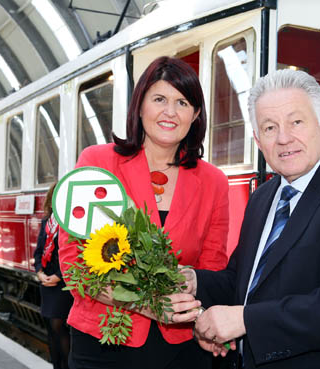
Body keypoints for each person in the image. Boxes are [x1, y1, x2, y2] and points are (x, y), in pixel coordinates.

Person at [185, 69, 320, 368]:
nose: (284, 138)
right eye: (270, 128)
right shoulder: (262, 198)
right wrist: (194, 281)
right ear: (259, 141)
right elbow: (242, 283)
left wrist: (244, 320)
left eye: (296, 122)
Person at [58, 56, 229, 369]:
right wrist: (149, 305)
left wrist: (203, 321)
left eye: (182, 102)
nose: (170, 112)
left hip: (181, 349)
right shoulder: (97, 163)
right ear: (139, 105)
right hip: (104, 344)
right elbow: (75, 265)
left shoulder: (214, 181)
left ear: (196, 114)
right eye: (160, 99)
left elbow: (212, 267)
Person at [34, 182, 73, 369]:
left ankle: (66, 366)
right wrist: (39, 272)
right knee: (50, 327)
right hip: (46, 283)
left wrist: (59, 276)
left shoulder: (72, 222)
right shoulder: (47, 222)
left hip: (62, 282)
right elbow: (39, 250)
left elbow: (73, 253)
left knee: (59, 326)